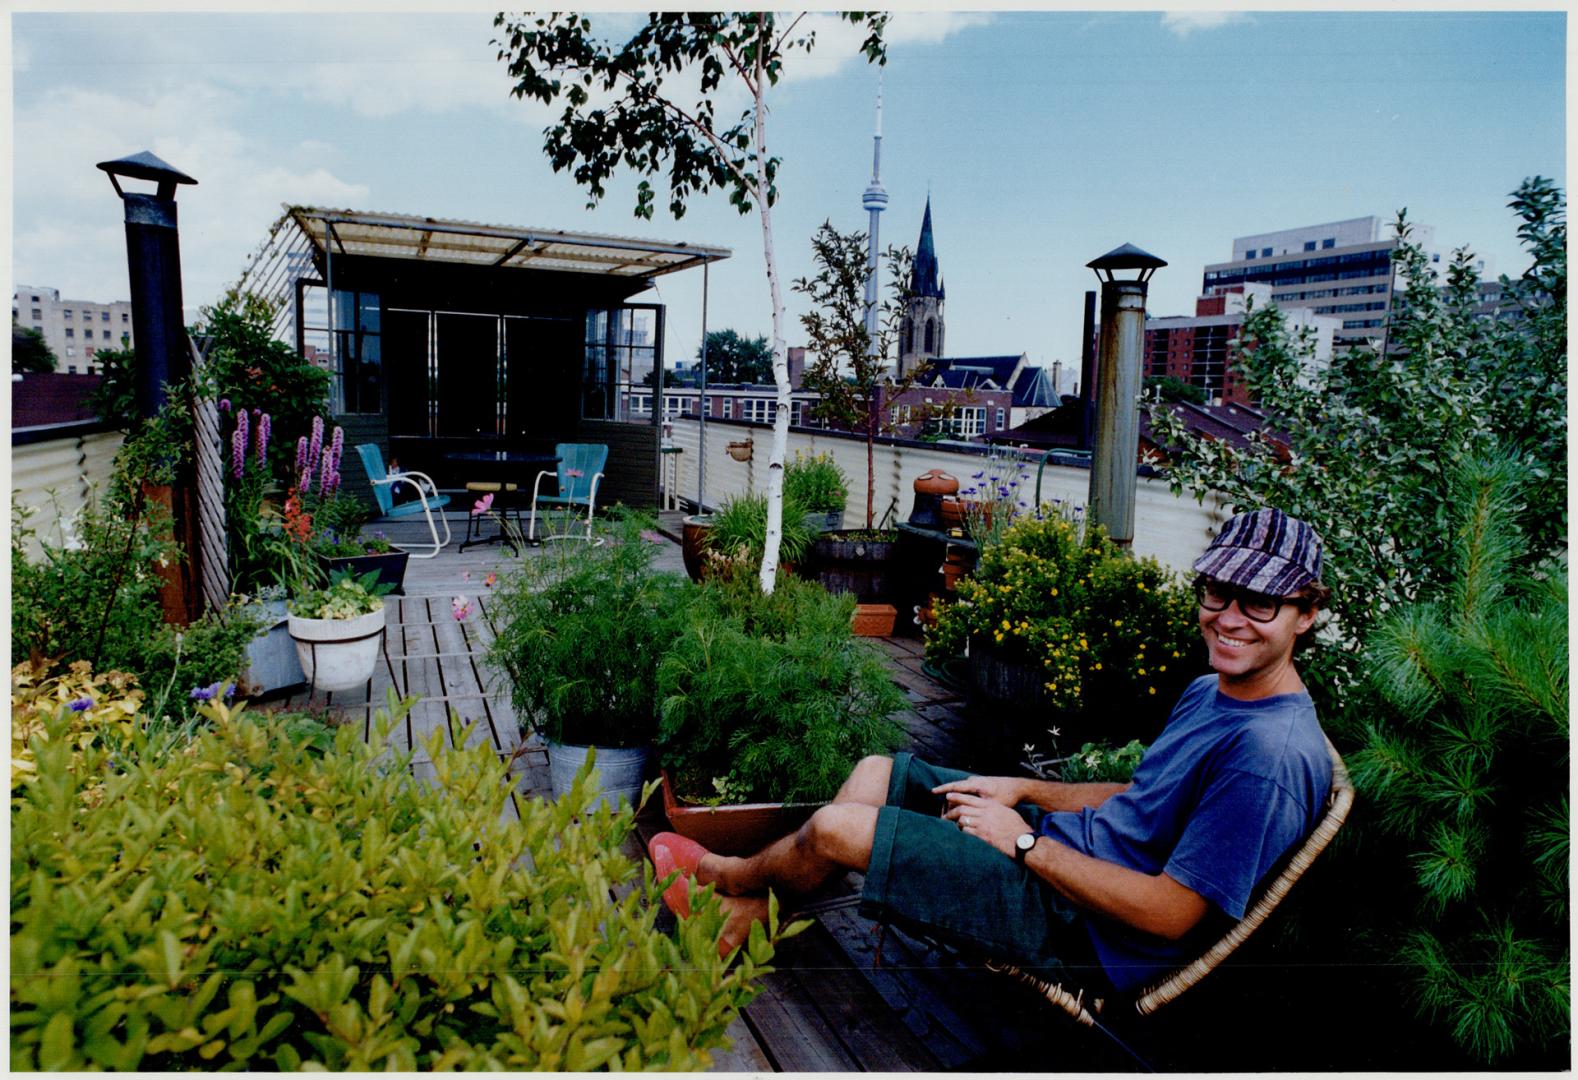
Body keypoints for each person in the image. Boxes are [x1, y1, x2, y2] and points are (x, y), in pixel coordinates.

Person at [651, 508, 1334, 993]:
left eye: (1260, 603)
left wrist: (1025, 848)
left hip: (1079, 929)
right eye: (1218, 591)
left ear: (1307, 613)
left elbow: (1171, 913)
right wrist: (1023, 793)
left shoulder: (1266, 759)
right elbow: (1138, 798)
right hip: (1060, 851)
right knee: (878, 770)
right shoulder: (1214, 690)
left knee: (835, 827)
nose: (1228, 617)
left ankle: (730, 879)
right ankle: (744, 920)